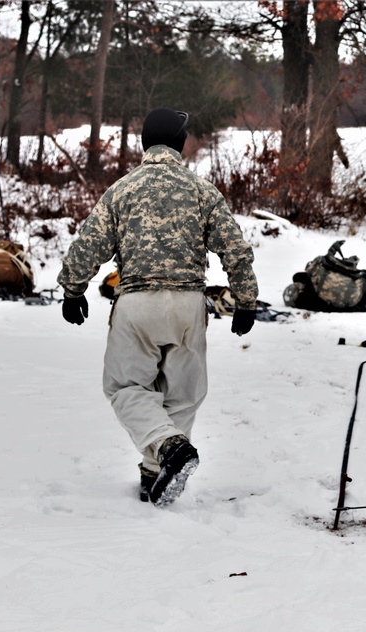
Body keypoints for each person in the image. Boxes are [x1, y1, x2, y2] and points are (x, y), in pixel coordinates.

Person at [57, 107, 259, 508]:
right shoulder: (202, 191)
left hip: (138, 304)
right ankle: (156, 473)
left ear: (145, 143)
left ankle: (165, 453)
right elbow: (235, 249)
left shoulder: (122, 190)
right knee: (182, 395)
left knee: (126, 387)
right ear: (180, 143)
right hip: (188, 306)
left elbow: (88, 245)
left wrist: (73, 289)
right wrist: (246, 300)